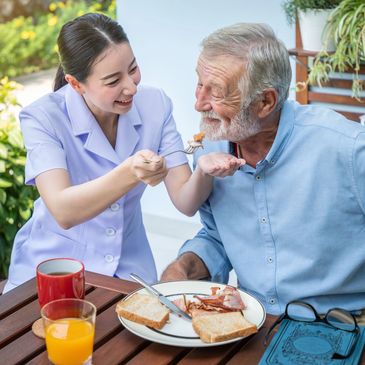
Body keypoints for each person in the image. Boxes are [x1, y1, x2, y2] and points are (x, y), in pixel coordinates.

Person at [3, 13, 244, 292]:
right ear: (75, 83)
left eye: (133, 69)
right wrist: (130, 173)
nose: (131, 87)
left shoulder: (156, 104)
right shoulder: (43, 117)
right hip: (54, 268)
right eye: (112, 80)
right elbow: (63, 210)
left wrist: (203, 170)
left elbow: (185, 201)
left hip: (128, 270)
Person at [161, 22, 365, 317]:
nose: (198, 104)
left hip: (345, 325)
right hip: (253, 322)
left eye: (216, 92)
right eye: (199, 84)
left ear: (265, 102)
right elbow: (219, 236)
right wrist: (185, 266)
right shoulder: (211, 148)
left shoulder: (348, 149)